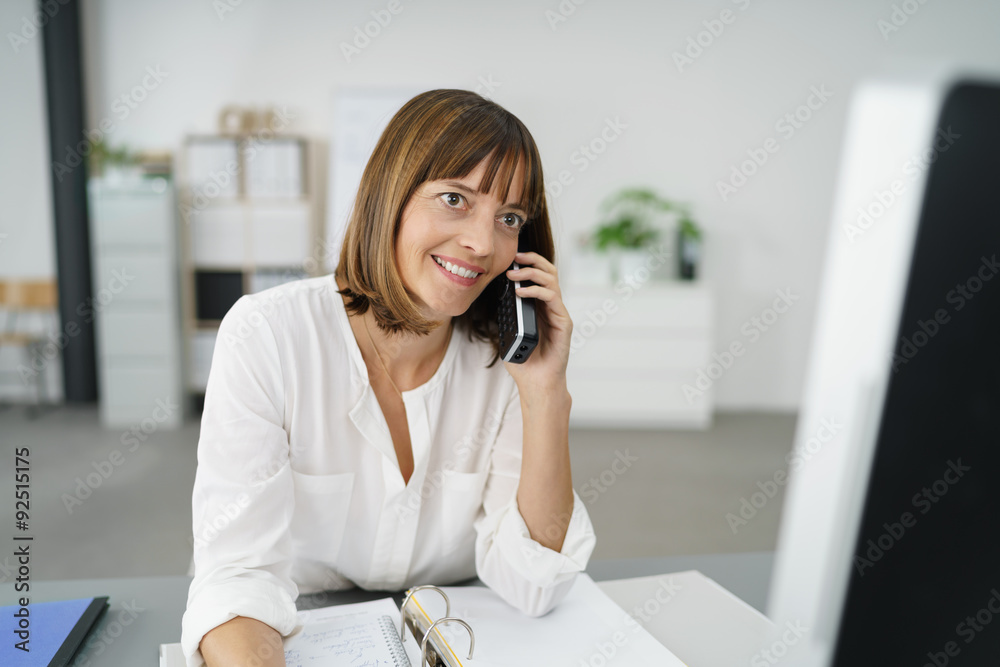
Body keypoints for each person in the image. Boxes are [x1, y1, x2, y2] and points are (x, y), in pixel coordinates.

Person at [180, 89, 597, 667]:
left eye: (509, 218)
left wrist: (545, 390)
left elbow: (536, 582)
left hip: (454, 635)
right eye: (455, 198)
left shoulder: (504, 361)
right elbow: (236, 579)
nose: (483, 243)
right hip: (303, 629)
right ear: (390, 196)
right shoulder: (267, 337)